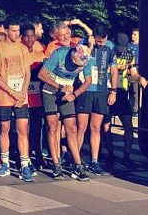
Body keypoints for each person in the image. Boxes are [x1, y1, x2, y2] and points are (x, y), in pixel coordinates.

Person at [38, 23, 92, 181]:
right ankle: (56, 164)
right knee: (53, 126)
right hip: (50, 90)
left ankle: (78, 164)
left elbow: (87, 81)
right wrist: (60, 86)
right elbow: (42, 75)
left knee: (72, 128)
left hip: (67, 93)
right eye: (74, 64)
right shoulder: (59, 53)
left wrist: (74, 94)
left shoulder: (85, 56)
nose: (76, 67)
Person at [0, 20, 33, 182]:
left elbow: (27, 73)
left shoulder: (23, 48)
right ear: (7, 31)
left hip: (21, 96)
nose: (16, 34)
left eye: (18, 31)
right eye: (14, 31)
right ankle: (5, 163)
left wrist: (22, 92)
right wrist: (12, 92)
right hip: (5, 96)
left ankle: (24, 164)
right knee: (5, 129)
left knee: (23, 129)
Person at [76, 25, 115, 175]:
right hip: (85, 90)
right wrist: (91, 47)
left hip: (101, 91)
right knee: (81, 127)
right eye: (98, 42)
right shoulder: (82, 45)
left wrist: (113, 91)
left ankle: (94, 160)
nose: (101, 45)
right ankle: (76, 160)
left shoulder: (109, 47)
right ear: (93, 38)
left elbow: (114, 70)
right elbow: (79, 63)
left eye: (103, 42)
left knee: (96, 128)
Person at [106, 32, 148, 170]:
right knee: (105, 126)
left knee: (128, 126)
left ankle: (126, 155)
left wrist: (140, 78)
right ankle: (109, 154)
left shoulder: (129, 54)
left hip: (123, 93)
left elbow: (133, 72)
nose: (120, 52)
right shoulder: (108, 53)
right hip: (108, 91)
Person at [22, 24, 48, 174]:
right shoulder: (20, 49)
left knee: (37, 124)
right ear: (22, 37)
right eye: (27, 36)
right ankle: (25, 155)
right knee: (24, 126)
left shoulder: (40, 48)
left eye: (33, 35)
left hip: (37, 94)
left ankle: (37, 153)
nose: (30, 38)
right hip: (23, 93)